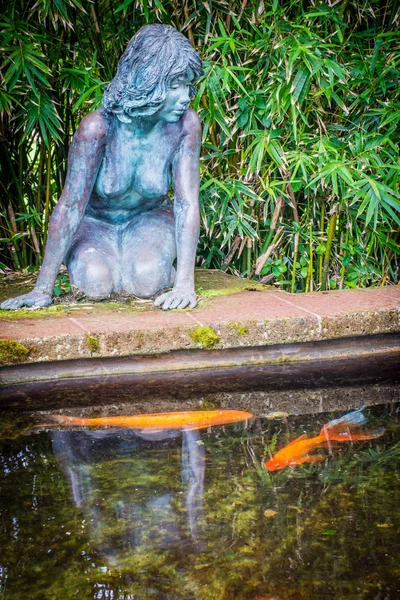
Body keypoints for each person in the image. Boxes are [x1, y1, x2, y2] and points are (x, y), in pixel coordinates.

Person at [1, 24, 203, 311]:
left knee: (148, 279)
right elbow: (71, 206)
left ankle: (150, 271)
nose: (185, 97)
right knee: (95, 282)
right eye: (174, 86)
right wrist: (42, 288)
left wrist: (185, 284)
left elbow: (186, 204)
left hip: (149, 218)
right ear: (147, 81)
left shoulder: (185, 125)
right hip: (95, 223)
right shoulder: (97, 128)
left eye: (188, 85)